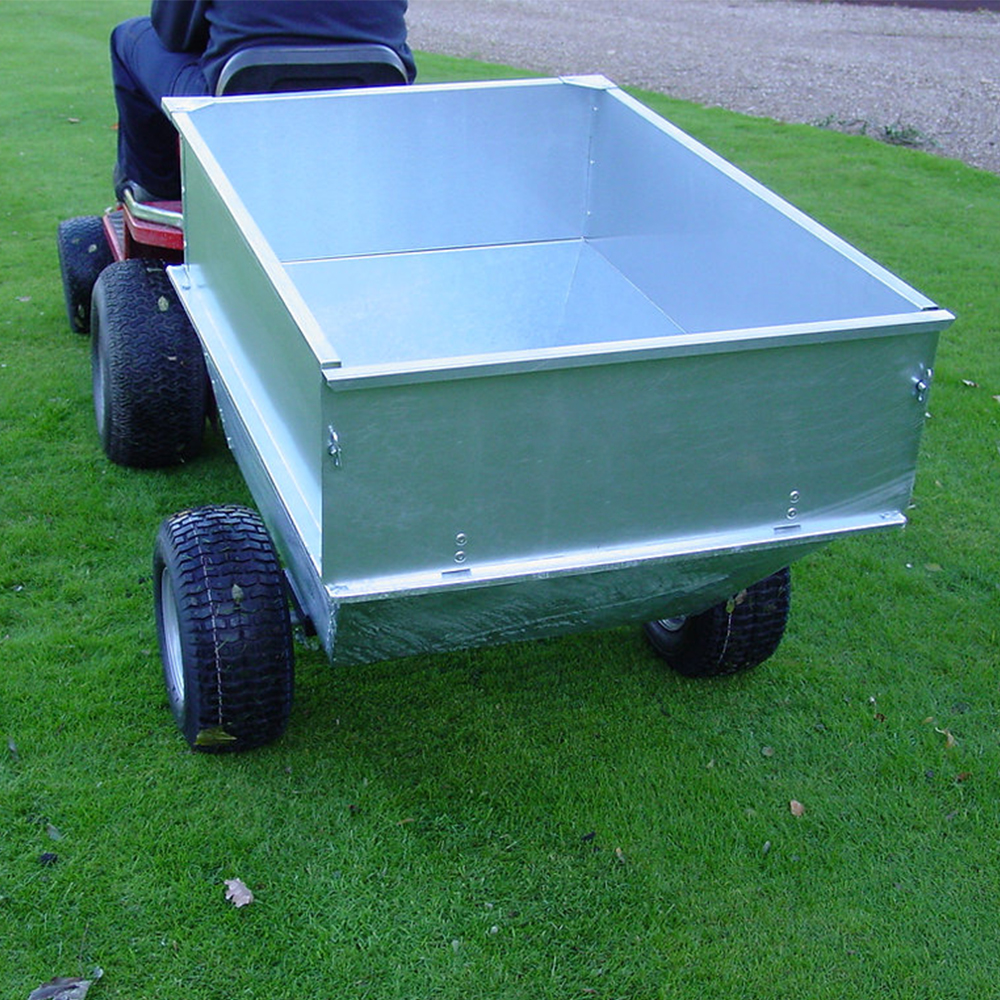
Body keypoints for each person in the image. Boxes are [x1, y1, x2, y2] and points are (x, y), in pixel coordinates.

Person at [110, 0, 415, 201]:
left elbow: (174, 33)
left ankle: (158, 188)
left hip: (235, 101)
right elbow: (400, 54)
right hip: (364, 100)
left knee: (129, 36)